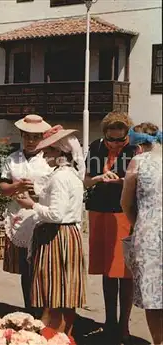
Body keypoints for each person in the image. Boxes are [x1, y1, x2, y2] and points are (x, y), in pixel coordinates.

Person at [16, 126, 86, 338]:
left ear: (60, 153)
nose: (43, 154)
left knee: (55, 294)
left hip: (57, 236)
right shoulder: (70, 174)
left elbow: (56, 214)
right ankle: (65, 337)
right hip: (67, 234)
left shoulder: (60, 178)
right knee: (65, 294)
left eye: (48, 150)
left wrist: (31, 205)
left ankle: (52, 337)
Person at [84, 112, 136, 341]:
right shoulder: (95, 147)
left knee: (124, 272)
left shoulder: (135, 149)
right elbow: (85, 181)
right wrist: (99, 178)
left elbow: (142, 180)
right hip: (100, 211)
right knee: (107, 270)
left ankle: (124, 324)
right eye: (111, 139)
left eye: (119, 139)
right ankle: (109, 321)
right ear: (104, 133)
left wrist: (121, 181)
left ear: (127, 135)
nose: (114, 143)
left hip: (125, 213)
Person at [0, 114, 53, 312]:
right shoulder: (12, 159)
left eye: (35, 137)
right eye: (27, 136)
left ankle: (45, 311)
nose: (31, 141)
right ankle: (29, 309)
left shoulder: (50, 159)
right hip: (20, 218)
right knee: (26, 270)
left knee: (43, 267)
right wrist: (17, 185)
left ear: (42, 137)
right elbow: (2, 188)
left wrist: (37, 192)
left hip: (43, 217)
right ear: (22, 135)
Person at [121, 123, 162, 345]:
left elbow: (125, 203)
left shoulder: (138, 162)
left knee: (153, 294)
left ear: (137, 145)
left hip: (148, 233)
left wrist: (139, 224)